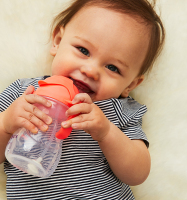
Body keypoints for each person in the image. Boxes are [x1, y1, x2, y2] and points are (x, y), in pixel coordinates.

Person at [0, 0, 165, 199]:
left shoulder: (117, 111)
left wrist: (106, 133)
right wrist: (6, 125)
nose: (90, 71)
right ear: (58, 41)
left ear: (130, 85)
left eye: (113, 68)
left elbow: (137, 174)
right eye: (83, 50)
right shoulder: (25, 93)